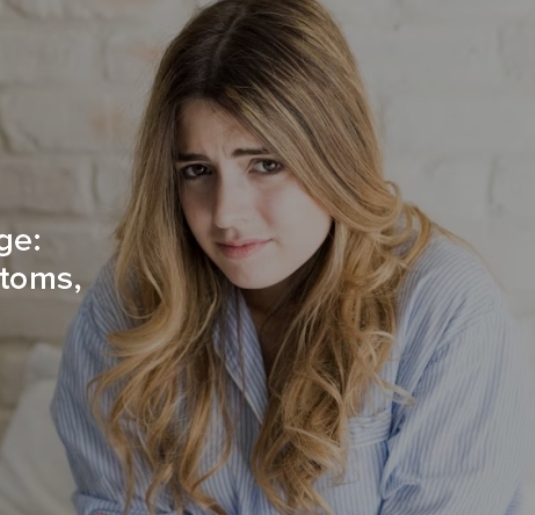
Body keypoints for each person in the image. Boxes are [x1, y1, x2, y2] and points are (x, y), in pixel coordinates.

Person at [49, 0, 535, 514]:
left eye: (265, 165)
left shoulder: (444, 310)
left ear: (334, 156)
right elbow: (113, 502)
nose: (225, 214)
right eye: (197, 171)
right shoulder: (130, 305)